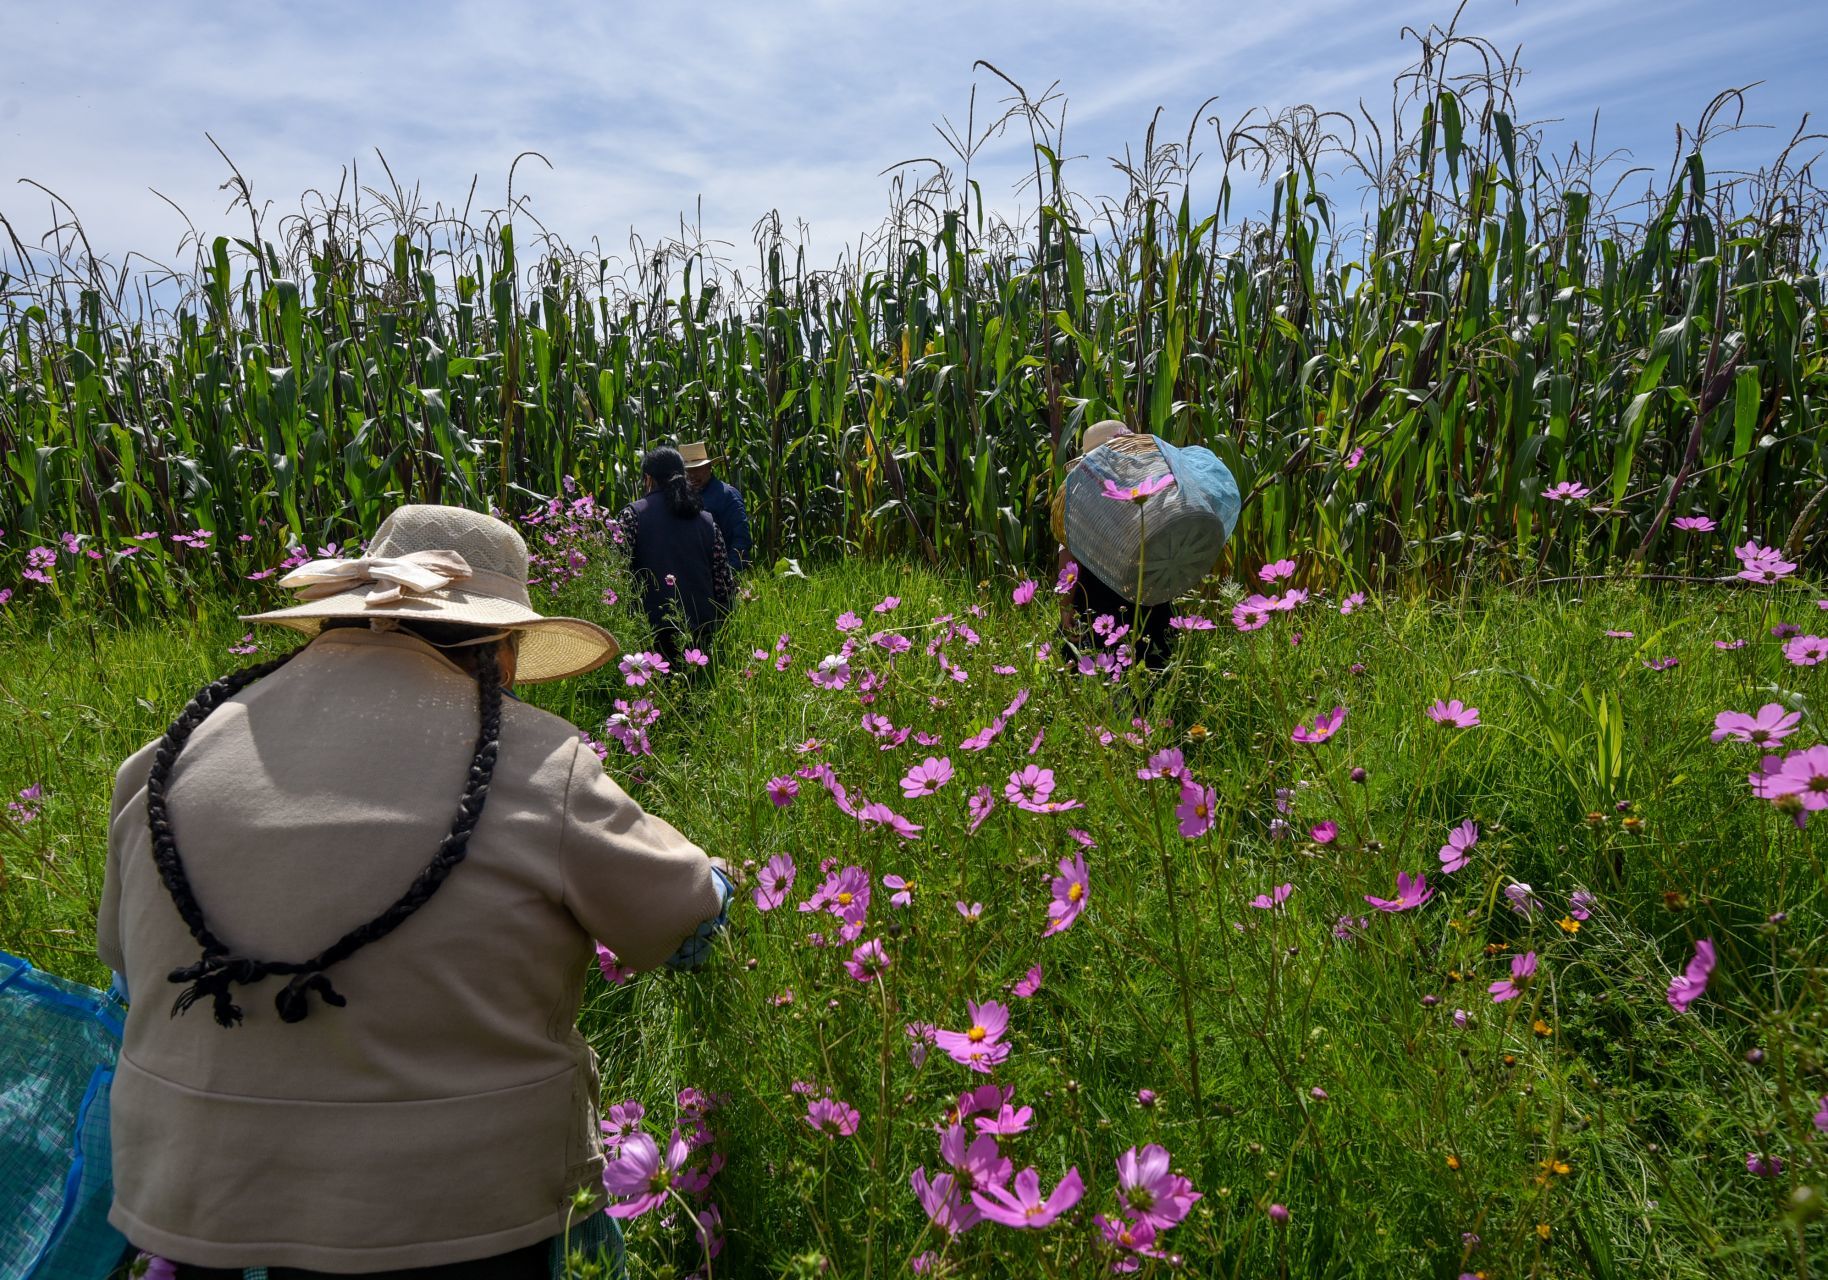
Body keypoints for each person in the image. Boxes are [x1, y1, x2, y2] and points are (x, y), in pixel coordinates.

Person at [96, 504, 732, 1278]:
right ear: (501, 651)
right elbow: (683, 915)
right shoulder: (538, 764)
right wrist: (717, 885)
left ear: (341, 620)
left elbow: (127, 971)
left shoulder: (163, 761)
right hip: (455, 1215)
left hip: (191, 1197)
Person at [1052, 420, 1176, 669]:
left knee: (1096, 664)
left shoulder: (1078, 496)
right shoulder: (1151, 488)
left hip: (1097, 598)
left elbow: (1067, 556)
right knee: (1154, 662)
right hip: (1147, 594)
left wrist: (1066, 612)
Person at [618, 446, 736, 667]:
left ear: (648, 479)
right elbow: (724, 585)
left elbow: (616, 576)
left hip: (649, 640)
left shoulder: (632, 516)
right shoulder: (707, 521)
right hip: (700, 640)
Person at [680, 440, 751, 571]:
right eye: (688, 471)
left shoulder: (727, 495)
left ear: (708, 468)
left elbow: (740, 538)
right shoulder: (682, 497)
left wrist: (730, 574)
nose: (692, 475)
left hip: (720, 573)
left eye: (697, 469)